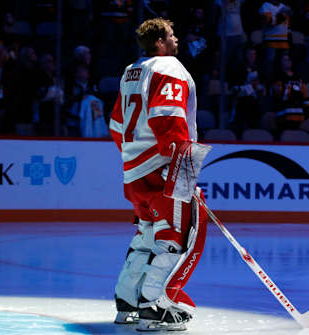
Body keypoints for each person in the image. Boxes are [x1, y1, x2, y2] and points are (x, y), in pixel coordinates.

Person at [109, 18, 210, 332]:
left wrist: (133, 156)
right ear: (161, 42)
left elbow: (115, 123)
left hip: (135, 170)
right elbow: (167, 116)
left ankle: (128, 301)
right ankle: (154, 305)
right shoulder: (170, 67)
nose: (177, 39)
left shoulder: (131, 72)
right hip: (164, 167)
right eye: (172, 34)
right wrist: (180, 166)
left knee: (147, 235)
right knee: (175, 237)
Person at [272, 53, 309, 132]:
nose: (287, 62)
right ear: (281, 62)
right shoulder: (277, 76)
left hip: (298, 113)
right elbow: (278, 93)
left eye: (289, 60)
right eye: (285, 60)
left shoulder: (297, 76)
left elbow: (304, 93)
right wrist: (292, 90)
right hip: (284, 113)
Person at [259, 0, 292, 82]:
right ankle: (268, 84)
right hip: (271, 42)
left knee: (283, 66)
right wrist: (283, 15)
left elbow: (287, 25)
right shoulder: (265, 6)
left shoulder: (283, 6)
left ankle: (282, 84)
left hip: (284, 42)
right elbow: (269, 22)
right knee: (270, 65)